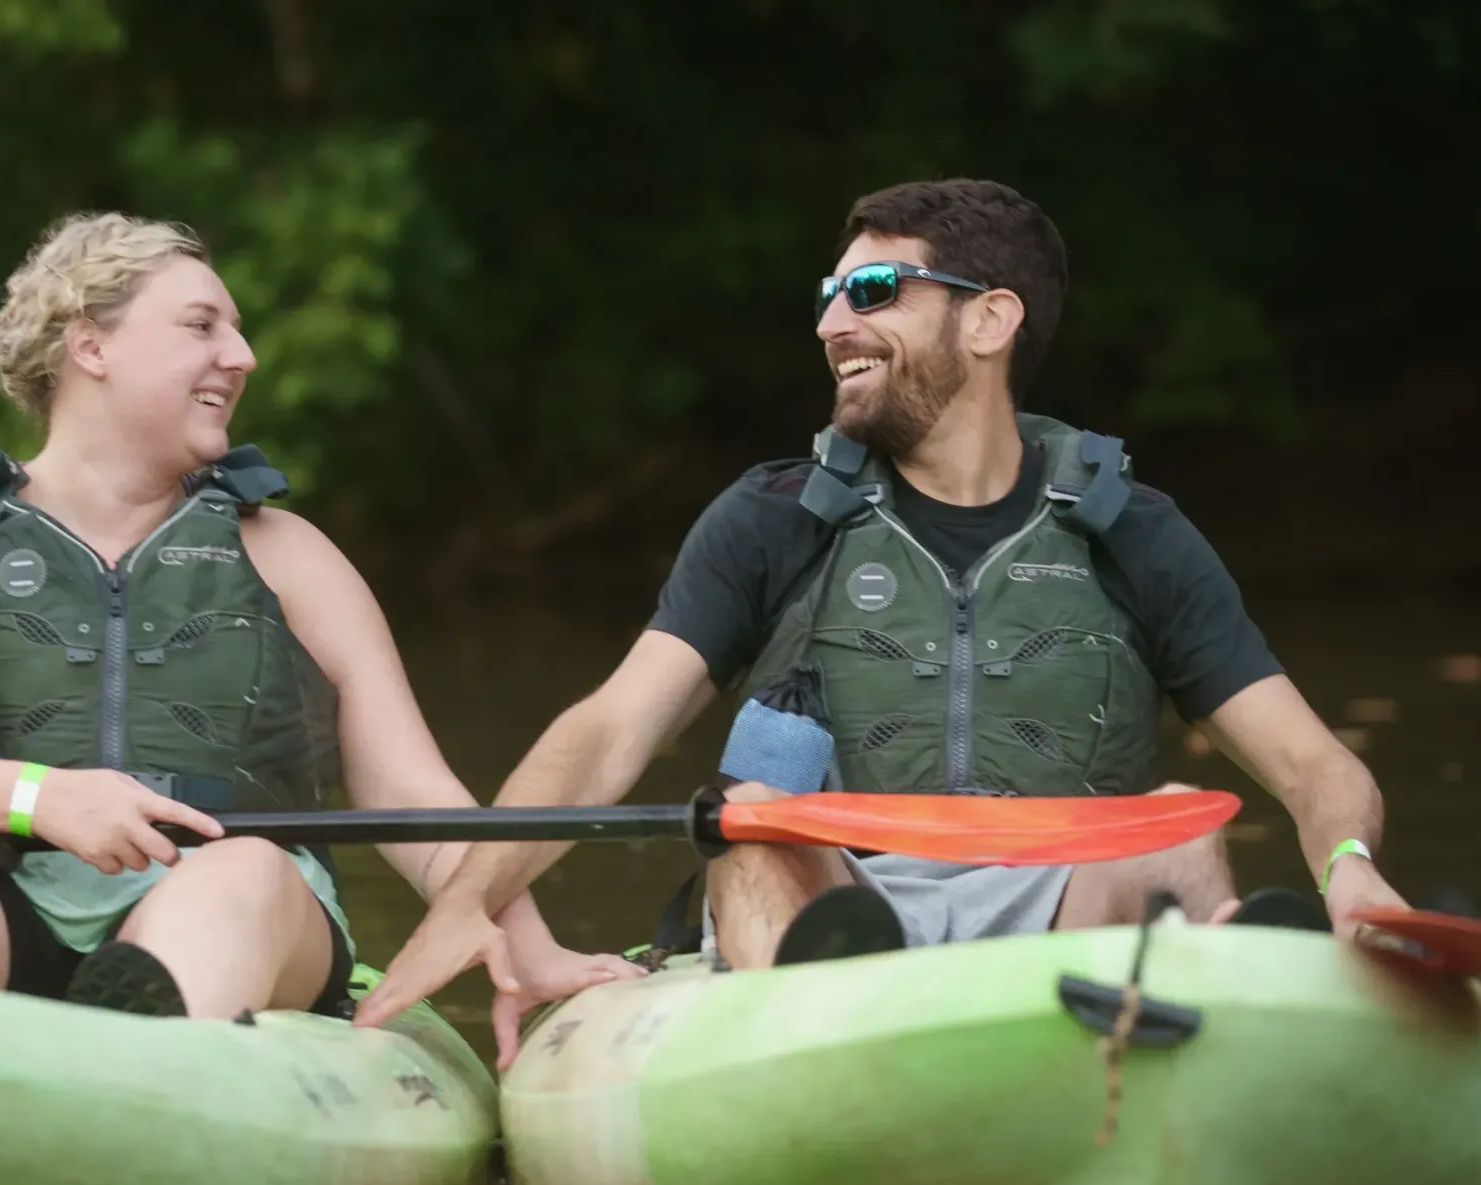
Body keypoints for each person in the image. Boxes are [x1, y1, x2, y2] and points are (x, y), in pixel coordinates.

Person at [356, 177, 1407, 1027]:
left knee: (1174, 825)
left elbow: (1316, 766)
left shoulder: (1136, 532)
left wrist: (1349, 870)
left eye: (870, 295)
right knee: (752, 823)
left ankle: (1152, 1028)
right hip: (840, 899)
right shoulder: (771, 518)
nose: (828, 324)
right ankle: (823, 1039)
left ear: (990, 319)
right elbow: (609, 729)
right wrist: (468, 900)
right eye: (829, 293)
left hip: (1062, 907)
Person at [0, 211, 632, 1055]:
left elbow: (408, 791)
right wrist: (39, 796)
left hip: (237, 918)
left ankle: (141, 1069)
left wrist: (531, 946)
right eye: (201, 326)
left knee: (244, 873)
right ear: (90, 346)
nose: (243, 354)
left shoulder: (290, 555)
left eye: (236, 327)